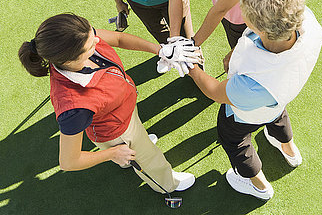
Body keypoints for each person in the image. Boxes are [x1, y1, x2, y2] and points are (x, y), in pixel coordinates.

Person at [18, 13, 198, 193]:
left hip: (121, 111)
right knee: (150, 159)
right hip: (117, 131)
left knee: (135, 144)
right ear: (69, 60)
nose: (97, 39)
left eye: (93, 34)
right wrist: (112, 153)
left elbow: (119, 39)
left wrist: (160, 50)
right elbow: (68, 161)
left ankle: (128, 156)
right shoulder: (74, 107)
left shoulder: (79, 37)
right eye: (90, 45)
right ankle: (168, 184)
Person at [188, 0, 322, 202]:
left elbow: (215, 92)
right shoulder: (307, 20)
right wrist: (236, 54)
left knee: (234, 141)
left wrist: (191, 65)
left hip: (244, 115)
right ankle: (288, 149)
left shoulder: (250, 86)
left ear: (256, 26)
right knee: (277, 116)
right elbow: (255, 41)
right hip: (279, 97)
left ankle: (258, 186)